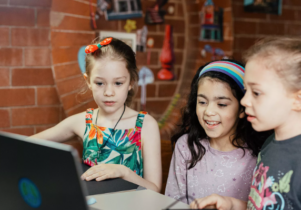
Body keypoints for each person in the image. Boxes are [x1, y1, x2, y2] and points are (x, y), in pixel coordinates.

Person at [30, 37, 162, 192]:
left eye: (118, 83)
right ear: (88, 81)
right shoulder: (83, 122)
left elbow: (155, 190)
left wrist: (123, 171)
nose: (108, 92)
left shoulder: (146, 125)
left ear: (131, 82)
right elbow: (24, 144)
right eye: (100, 83)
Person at [191, 37, 301, 209]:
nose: (244, 101)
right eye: (245, 91)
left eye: (256, 93)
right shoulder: (269, 145)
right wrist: (232, 204)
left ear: (297, 98)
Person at [165, 60, 271, 204]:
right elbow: (173, 201)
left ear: (241, 109)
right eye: (202, 102)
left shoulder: (259, 156)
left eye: (221, 104)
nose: (208, 112)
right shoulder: (186, 146)